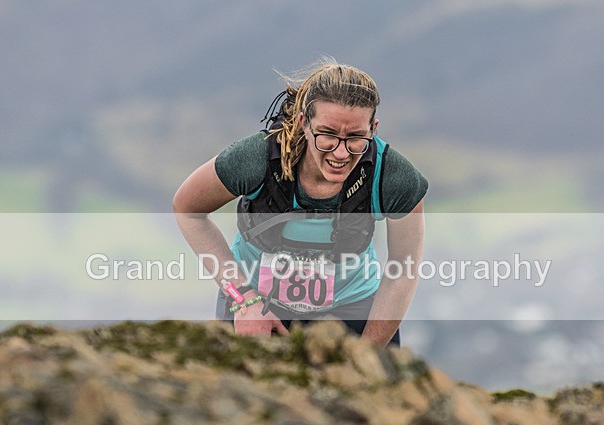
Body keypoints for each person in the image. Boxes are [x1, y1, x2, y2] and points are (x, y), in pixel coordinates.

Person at [173, 58, 427, 348]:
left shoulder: (394, 177)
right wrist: (243, 300)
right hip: (254, 298)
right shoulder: (257, 157)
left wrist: (366, 355)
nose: (341, 153)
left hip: (352, 305)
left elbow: (402, 273)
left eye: (356, 138)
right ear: (305, 123)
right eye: (327, 135)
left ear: (373, 128)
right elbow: (187, 209)